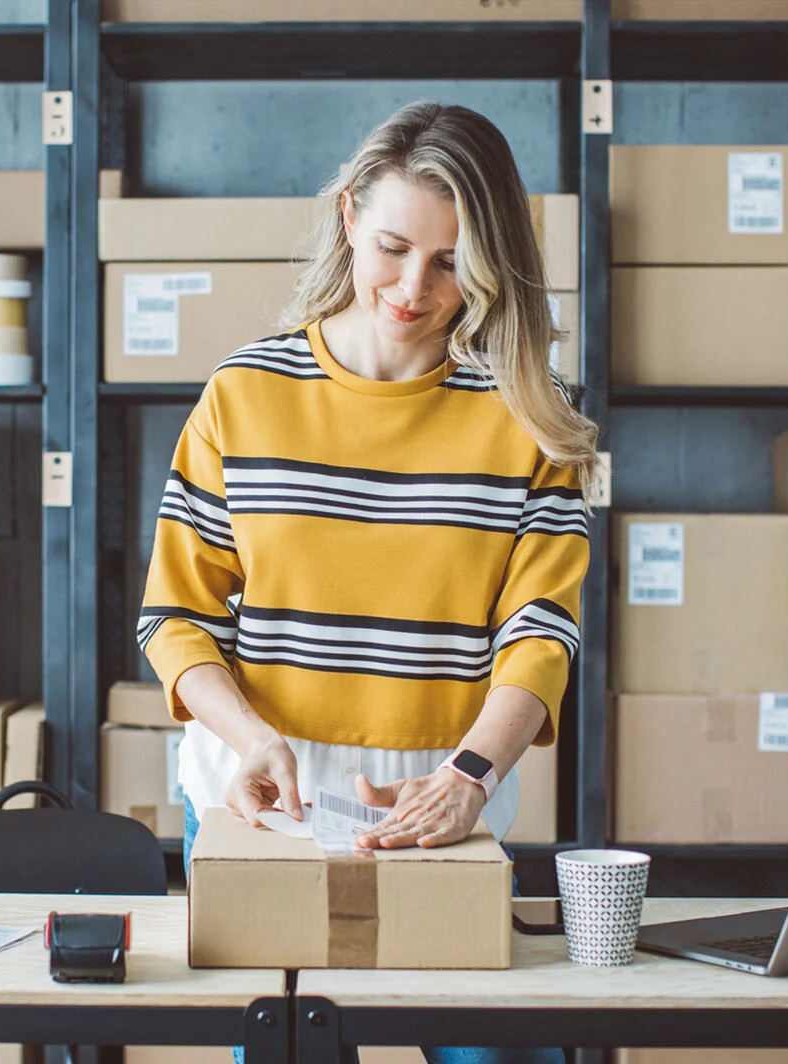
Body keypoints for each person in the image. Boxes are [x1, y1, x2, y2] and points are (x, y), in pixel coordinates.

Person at [138, 100, 597, 1064]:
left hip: (444, 804)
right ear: (348, 216)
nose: (412, 287)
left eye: (450, 261)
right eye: (393, 246)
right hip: (263, 799)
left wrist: (472, 773)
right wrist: (251, 736)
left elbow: (543, 628)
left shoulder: (528, 418)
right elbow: (174, 617)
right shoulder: (243, 394)